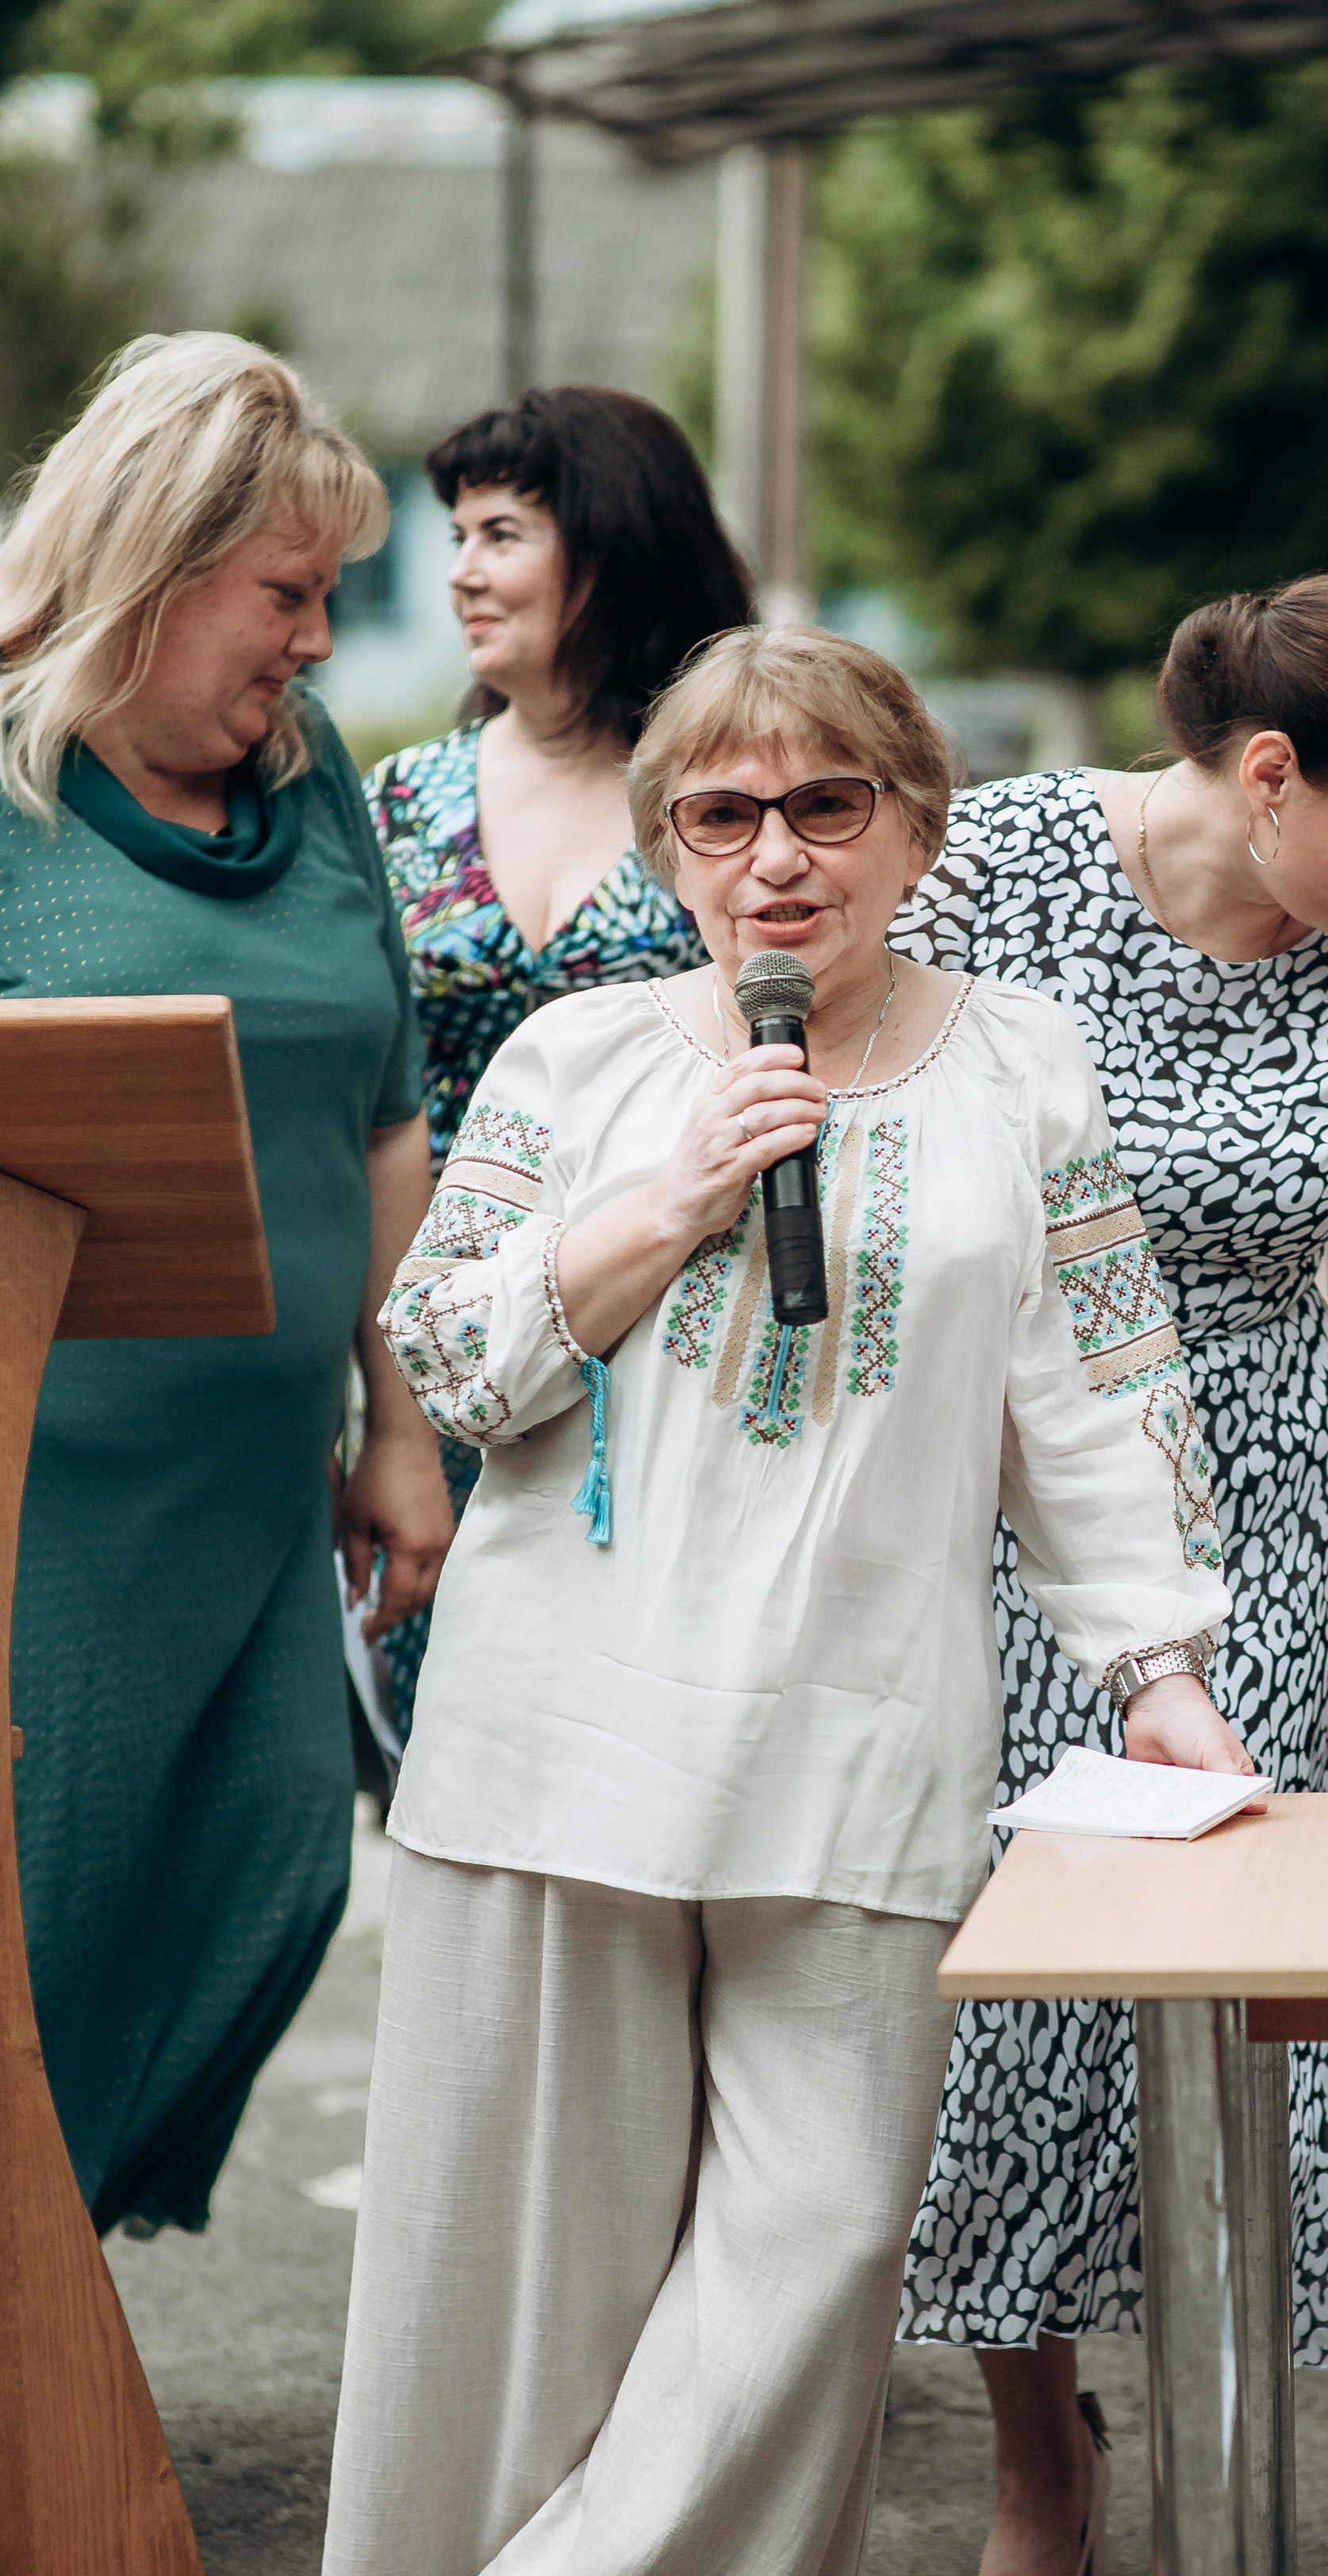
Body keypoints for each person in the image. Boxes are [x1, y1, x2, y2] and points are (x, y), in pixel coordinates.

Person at [314, 625, 1245, 2576]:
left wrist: (1164, 1666)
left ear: (918, 824)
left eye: (829, 805)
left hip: (856, 1741)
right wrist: (663, 1203)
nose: (778, 856)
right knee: (566, 2272)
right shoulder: (575, 1059)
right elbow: (446, 1351)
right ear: (668, 852)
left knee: (817, 2244)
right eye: (724, 814)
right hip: (564, 1742)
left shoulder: (1025, 1065)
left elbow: (1099, 1392)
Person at [888, 571, 1328, 2576]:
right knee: (1010, 2005)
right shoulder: (1002, 873)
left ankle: (1215, 2501)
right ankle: (1040, 2447)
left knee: (1248, 1999)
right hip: (997, 1479)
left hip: (1276, 1508)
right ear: (1265, 773)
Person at [0, 332, 451, 2236]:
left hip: (264, 1483)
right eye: (288, 593)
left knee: (272, 1881)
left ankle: (49, 2291)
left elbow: (385, 1108)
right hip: (47, 1492)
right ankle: (43, 2337)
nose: (320, 642)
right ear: (156, 566)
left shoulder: (312, 772)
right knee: (50, 1910)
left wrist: (402, 1422)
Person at [363, 386, 753, 1737]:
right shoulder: (398, 801)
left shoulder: (728, 790)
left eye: (502, 532)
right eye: (456, 534)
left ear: (612, 540)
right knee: (463, 1752)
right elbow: (371, 1110)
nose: (463, 571)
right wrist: (392, 1421)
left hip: (690, 1329)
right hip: (461, 1336)